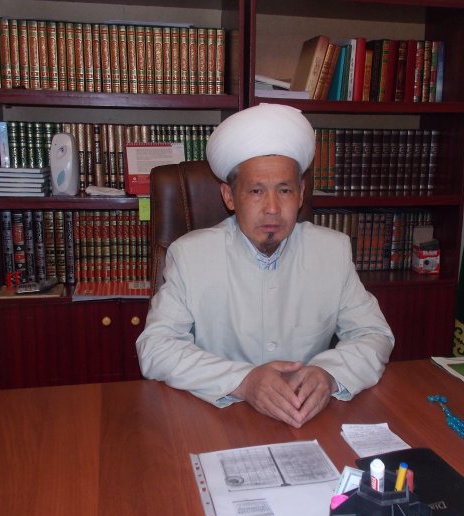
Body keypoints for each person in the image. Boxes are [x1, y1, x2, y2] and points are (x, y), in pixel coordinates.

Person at [136, 103, 394, 428]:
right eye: (256, 191)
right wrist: (243, 381)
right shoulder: (190, 256)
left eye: (284, 190)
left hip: (305, 419)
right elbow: (155, 348)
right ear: (229, 196)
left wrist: (330, 374)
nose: (272, 208)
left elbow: (373, 334)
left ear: (301, 194)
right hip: (217, 422)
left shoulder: (332, 251)